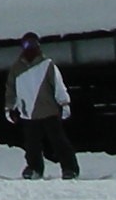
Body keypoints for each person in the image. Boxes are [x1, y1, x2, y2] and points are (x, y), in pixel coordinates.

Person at [5, 32, 79, 180]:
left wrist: (64, 103)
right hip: (28, 113)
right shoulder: (16, 68)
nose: (30, 47)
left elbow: (58, 85)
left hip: (48, 110)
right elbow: (11, 89)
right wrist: (10, 108)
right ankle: (34, 168)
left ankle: (70, 168)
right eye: (26, 44)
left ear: (38, 45)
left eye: (33, 44)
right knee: (32, 145)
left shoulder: (47, 64)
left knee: (59, 142)